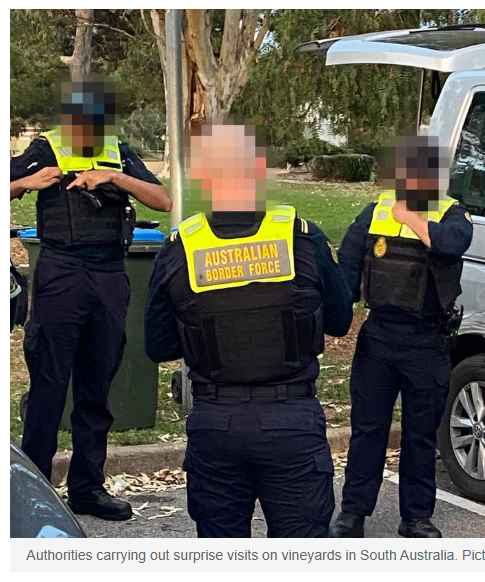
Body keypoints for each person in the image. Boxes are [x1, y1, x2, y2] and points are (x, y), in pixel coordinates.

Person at [144, 123, 353, 538]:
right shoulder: (302, 237)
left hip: (216, 422)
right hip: (291, 420)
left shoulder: (181, 247)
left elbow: (158, 344)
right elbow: (340, 320)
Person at [10, 79, 171, 521]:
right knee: (49, 386)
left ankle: (87, 488)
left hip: (109, 275)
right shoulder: (47, 147)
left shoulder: (118, 151)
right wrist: (26, 182)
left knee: (96, 387)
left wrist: (114, 177)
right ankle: (34, 497)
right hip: (62, 272)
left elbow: (163, 200)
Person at [330, 135, 473, 538]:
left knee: (420, 434)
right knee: (367, 430)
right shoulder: (374, 213)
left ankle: (416, 518)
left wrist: (410, 216)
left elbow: (452, 244)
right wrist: (333, 316)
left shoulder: (452, 213)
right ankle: (353, 514)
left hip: (427, 339)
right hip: (379, 337)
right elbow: (347, 268)